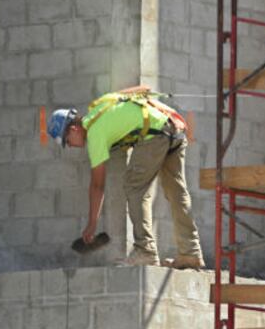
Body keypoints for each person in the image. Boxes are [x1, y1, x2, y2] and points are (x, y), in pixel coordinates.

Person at [47, 86, 204, 269]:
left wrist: (92, 224)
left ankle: (145, 250)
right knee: (176, 192)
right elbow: (141, 89)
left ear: (73, 129)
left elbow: (98, 185)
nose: (71, 146)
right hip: (173, 126)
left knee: (134, 187)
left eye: (67, 141)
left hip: (155, 134)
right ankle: (191, 252)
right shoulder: (100, 107)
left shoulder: (94, 134)